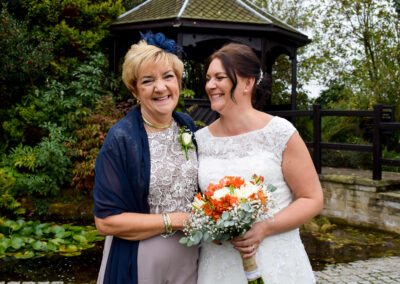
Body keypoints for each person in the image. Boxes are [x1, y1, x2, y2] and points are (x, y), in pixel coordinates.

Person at [195, 42, 324, 283]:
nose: (210, 85)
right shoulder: (200, 140)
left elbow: (312, 199)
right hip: (218, 264)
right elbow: (196, 202)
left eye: (220, 77)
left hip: (275, 260)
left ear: (247, 83)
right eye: (208, 78)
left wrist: (265, 227)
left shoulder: (280, 133)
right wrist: (208, 225)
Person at [93, 32, 199, 284]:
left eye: (168, 77)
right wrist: (175, 220)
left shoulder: (187, 125)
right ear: (135, 90)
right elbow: (105, 222)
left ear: (179, 82)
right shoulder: (121, 138)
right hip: (140, 261)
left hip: (191, 259)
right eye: (148, 81)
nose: (160, 87)